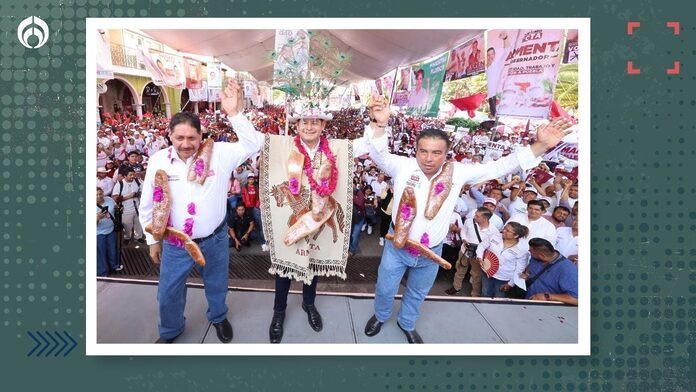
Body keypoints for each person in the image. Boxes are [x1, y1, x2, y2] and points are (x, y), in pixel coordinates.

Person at [363, 118, 572, 343]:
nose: (429, 159)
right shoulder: (402, 166)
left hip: (432, 251)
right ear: (415, 151)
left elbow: (498, 167)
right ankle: (381, 316)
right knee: (385, 287)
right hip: (398, 246)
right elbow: (379, 155)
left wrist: (539, 146)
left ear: (446, 154)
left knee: (417, 292)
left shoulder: (459, 172)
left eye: (436, 152)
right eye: (423, 152)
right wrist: (381, 123)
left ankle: (407, 322)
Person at [139, 80, 263, 343]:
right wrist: (152, 240)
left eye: (191, 137)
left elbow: (254, 144)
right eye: (179, 137)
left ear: (201, 135)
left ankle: (218, 317)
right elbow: (148, 203)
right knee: (168, 292)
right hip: (175, 243)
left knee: (217, 284)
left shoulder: (220, 154)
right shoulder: (158, 160)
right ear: (170, 136)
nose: (185, 143)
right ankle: (171, 330)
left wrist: (234, 114)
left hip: (215, 240)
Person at [261, 94, 389, 344]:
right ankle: (279, 312)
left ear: (323, 126)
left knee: (314, 263)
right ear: (296, 125)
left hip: (320, 218)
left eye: (315, 122)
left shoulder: (337, 149)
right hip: (295, 216)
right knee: (284, 269)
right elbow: (251, 140)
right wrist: (234, 115)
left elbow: (366, 145)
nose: (309, 126)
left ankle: (309, 304)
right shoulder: (282, 145)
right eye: (304, 122)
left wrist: (379, 123)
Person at [445, 207, 497, 297]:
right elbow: (464, 231)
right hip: (464, 250)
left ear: (485, 218)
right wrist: (464, 239)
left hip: (478, 255)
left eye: (477, 216)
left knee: (476, 275)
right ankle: (456, 287)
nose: (474, 216)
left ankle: (475, 294)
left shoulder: (493, 230)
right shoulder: (469, 221)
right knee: (460, 269)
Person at [477, 222, 529, 298]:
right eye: (504, 228)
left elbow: (520, 269)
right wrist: (479, 257)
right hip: (487, 272)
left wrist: (511, 284)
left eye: (507, 231)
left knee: (499, 298)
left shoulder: (522, 249)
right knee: (485, 293)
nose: (503, 231)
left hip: (503, 278)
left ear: (516, 235)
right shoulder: (494, 236)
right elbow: (482, 246)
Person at [522, 238, 578, 305]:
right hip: (528, 301)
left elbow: (576, 299)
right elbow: (531, 265)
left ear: (542, 256)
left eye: (531, 251)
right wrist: (527, 273)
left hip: (549, 308)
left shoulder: (567, 270)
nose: (529, 251)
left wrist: (547, 296)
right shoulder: (536, 256)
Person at [112, 166, 143, 245]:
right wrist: (129, 196)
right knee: (127, 225)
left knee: (138, 223)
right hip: (126, 209)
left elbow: (142, 192)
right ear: (124, 176)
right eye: (130, 175)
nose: (132, 176)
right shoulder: (120, 184)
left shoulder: (137, 181)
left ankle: (138, 237)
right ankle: (127, 237)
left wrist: (138, 194)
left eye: (133, 174)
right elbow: (115, 198)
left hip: (137, 207)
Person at [96, 187, 122, 276]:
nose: (99, 196)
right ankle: (102, 272)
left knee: (112, 250)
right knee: (101, 253)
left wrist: (119, 209)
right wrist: (97, 217)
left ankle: (114, 266)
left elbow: (115, 208)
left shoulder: (109, 200)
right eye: (96, 195)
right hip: (98, 233)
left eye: (100, 194)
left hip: (110, 230)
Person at [241, 174, 267, 251]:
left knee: (259, 225)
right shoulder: (245, 188)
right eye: (250, 179)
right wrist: (246, 205)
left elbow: (260, 197)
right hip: (247, 209)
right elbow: (243, 198)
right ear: (247, 179)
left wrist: (257, 205)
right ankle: (246, 241)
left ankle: (263, 242)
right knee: (249, 225)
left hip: (255, 208)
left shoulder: (256, 187)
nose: (251, 180)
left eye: (252, 179)